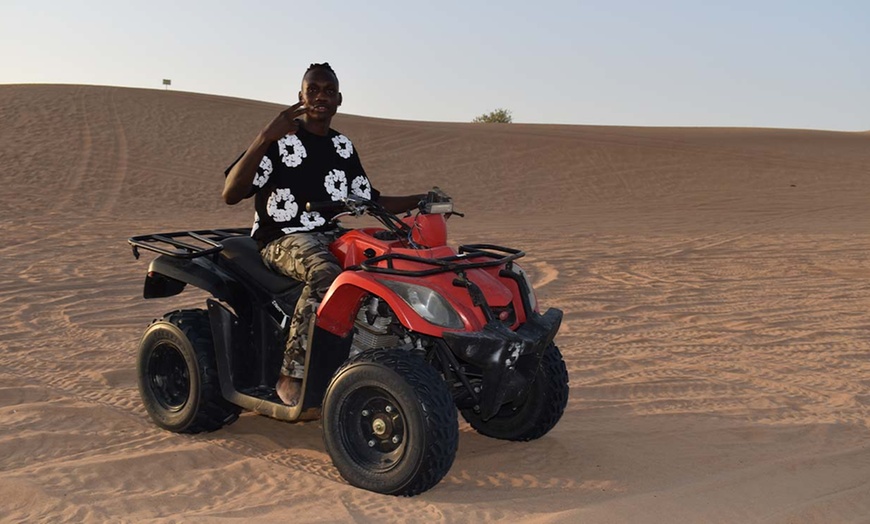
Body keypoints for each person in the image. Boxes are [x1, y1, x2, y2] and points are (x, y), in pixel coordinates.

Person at [223, 63, 424, 407]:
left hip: (329, 233)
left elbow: (369, 198)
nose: (320, 97)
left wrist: (421, 200)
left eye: (328, 91)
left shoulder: (342, 146)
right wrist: (264, 136)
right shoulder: (279, 141)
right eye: (313, 90)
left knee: (387, 268)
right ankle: (293, 373)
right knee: (326, 275)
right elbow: (231, 192)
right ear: (300, 97)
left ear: (339, 99)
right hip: (282, 236)